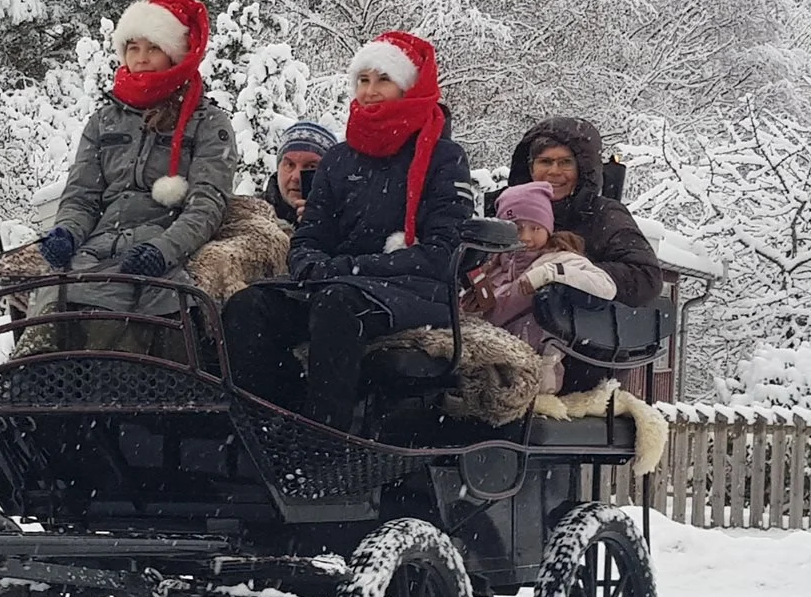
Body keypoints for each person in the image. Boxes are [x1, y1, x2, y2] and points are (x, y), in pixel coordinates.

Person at [221, 31, 474, 431]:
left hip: (414, 289)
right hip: (341, 283)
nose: (370, 91)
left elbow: (444, 251)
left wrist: (352, 269)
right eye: (363, 80)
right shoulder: (339, 159)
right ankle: (272, 423)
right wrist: (310, 265)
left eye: (383, 80)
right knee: (247, 306)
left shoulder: (444, 157)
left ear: (408, 86)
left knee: (338, 306)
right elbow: (310, 235)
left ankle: (326, 443)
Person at [31, 0, 237, 353]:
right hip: (95, 248)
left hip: (164, 248)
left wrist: (163, 249)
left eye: (153, 48)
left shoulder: (208, 123)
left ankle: (106, 389)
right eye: (132, 47)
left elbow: (206, 204)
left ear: (174, 53)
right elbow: (82, 196)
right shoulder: (102, 121)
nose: (141, 58)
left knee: (117, 318)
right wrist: (66, 232)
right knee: (58, 304)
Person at [466, 180, 616, 392]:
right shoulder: (491, 269)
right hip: (490, 374)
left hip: (537, 377)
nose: (526, 237)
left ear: (548, 228)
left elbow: (606, 286)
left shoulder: (559, 259)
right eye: (517, 229)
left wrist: (550, 274)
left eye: (535, 228)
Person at [500, 116, 662, 306]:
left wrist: (572, 276)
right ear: (530, 168)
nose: (554, 171)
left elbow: (646, 277)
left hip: (573, 327)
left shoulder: (604, 215)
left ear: (583, 169)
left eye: (565, 162)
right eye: (545, 162)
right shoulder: (505, 209)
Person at [260, 121, 337, 226]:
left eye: (311, 167)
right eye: (289, 165)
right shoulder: (246, 217)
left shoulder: (350, 224)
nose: (296, 177)